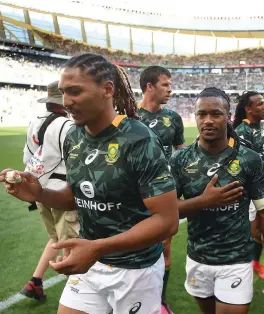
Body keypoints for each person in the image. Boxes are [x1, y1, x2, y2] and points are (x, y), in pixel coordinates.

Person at [1, 53, 179, 314]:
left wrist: (97, 247)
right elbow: (76, 196)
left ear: (107, 90)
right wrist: (39, 193)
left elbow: (167, 221)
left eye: (75, 92)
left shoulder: (139, 139)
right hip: (91, 262)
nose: (67, 102)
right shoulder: (73, 136)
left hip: (135, 269)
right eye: (63, 92)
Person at [170, 87, 264, 314]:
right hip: (198, 258)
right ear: (195, 117)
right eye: (202, 114)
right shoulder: (180, 160)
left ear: (228, 116)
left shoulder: (248, 159)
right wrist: (203, 201)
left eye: (216, 114)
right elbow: (166, 213)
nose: (208, 120)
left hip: (236, 260)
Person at [21, 80, 79, 301]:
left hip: (38, 190)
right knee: (70, 245)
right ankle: (76, 297)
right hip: (61, 192)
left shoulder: (34, 122)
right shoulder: (67, 126)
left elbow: (28, 158)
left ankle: (35, 282)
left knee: (56, 238)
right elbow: (75, 161)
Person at [138, 66, 185, 313]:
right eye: (165, 84)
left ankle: (160, 300)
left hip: (166, 193)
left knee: (165, 246)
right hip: (134, 195)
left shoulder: (173, 118)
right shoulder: (129, 117)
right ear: (149, 87)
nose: (170, 89)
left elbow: (181, 152)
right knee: (132, 244)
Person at [233, 91, 264, 280]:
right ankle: (247, 264)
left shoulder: (263, 127)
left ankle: (257, 262)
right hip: (248, 190)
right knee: (255, 232)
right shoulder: (241, 132)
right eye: (260, 104)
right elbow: (250, 162)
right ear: (248, 109)